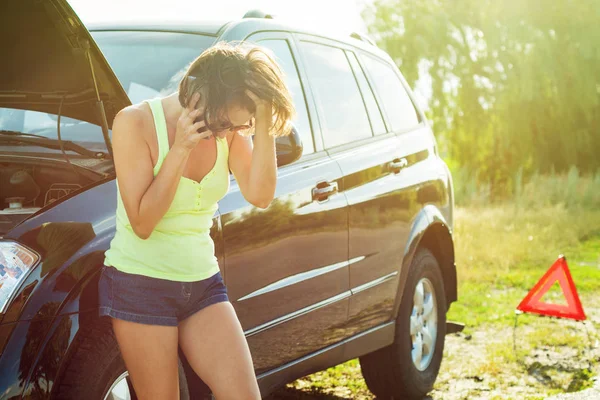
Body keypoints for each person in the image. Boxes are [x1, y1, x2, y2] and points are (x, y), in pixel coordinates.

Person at [98, 41, 295, 399]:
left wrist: (263, 115)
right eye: (226, 123)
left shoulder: (228, 130)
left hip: (202, 284)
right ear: (202, 95)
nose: (225, 134)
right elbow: (142, 223)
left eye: (240, 124)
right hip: (141, 285)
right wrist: (180, 149)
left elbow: (261, 194)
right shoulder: (135, 123)